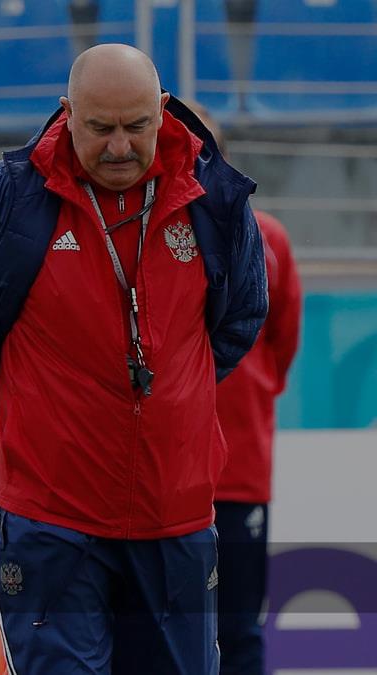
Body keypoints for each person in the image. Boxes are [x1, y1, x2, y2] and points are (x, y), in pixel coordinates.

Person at [0, 44, 269, 673]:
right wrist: (34, 397)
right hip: (50, 517)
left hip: (176, 514)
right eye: (100, 127)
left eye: (136, 125)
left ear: (163, 110)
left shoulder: (213, 194)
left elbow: (240, 318)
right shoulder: (10, 192)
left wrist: (175, 393)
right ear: (67, 112)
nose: (119, 146)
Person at [189, 101, 303, 675]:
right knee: (166, 633)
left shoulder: (269, 237)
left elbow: (281, 342)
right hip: (167, 477)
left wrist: (244, 395)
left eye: (204, 151)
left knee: (238, 630)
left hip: (239, 470)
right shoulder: (149, 240)